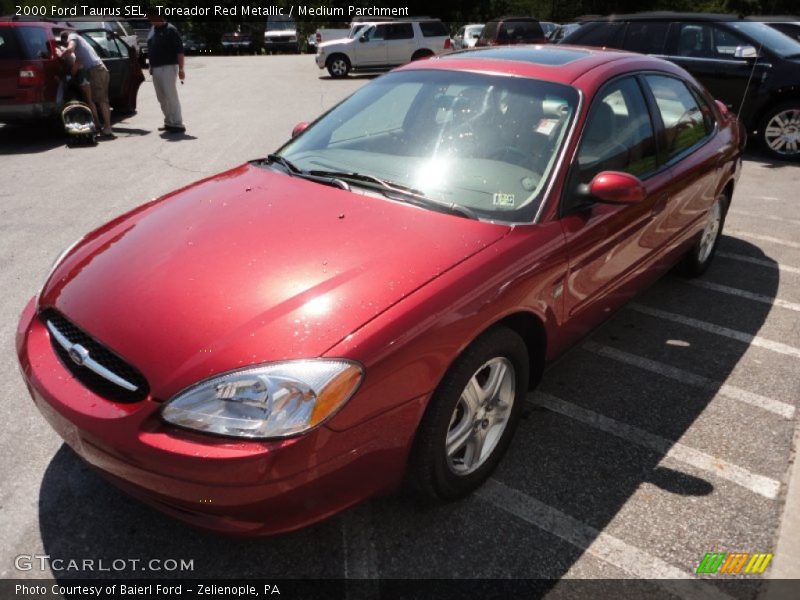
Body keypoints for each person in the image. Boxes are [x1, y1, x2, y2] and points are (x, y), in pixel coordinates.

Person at [59, 29, 114, 138]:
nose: (67, 44)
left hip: (97, 70)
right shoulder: (81, 50)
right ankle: (103, 127)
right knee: (99, 100)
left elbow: (70, 49)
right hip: (97, 70)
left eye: (65, 42)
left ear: (66, 38)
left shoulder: (73, 36)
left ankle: (108, 129)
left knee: (102, 100)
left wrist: (61, 55)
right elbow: (76, 65)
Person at [146, 10, 186, 133]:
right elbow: (151, 48)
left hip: (168, 67)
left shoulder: (171, 30)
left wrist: (181, 69)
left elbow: (180, 51)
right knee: (161, 98)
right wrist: (151, 66)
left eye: (152, 18)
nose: (150, 20)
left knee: (170, 95)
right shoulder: (153, 30)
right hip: (156, 68)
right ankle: (169, 122)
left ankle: (178, 123)